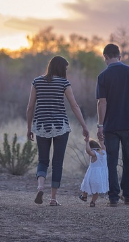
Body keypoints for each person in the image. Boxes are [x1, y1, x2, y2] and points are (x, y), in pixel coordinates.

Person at [26, 56, 89, 206]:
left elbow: (30, 107)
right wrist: (84, 126)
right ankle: (53, 198)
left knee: (42, 160)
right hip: (60, 126)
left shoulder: (37, 81)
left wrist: (29, 128)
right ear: (61, 68)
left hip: (41, 126)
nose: (66, 71)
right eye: (65, 68)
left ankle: (40, 187)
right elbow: (74, 106)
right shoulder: (64, 83)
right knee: (57, 162)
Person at [96, 44, 129, 206]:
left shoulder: (103, 76)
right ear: (120, 56)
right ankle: (127, 195)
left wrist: (100, 125)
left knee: (111, 161)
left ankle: (113, 197)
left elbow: (101, 102)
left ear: (105, 57)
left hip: (111, 126)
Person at [79, 138, 109, 207]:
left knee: (86, 185)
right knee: (96, 190)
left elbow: (88, 151)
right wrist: (101, 141)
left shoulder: (94, 154)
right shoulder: (104, 152)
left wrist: (87, 142)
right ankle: (92, 202)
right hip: (101, 176)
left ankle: (84, 196)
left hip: (93, 175)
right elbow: (103, 146)